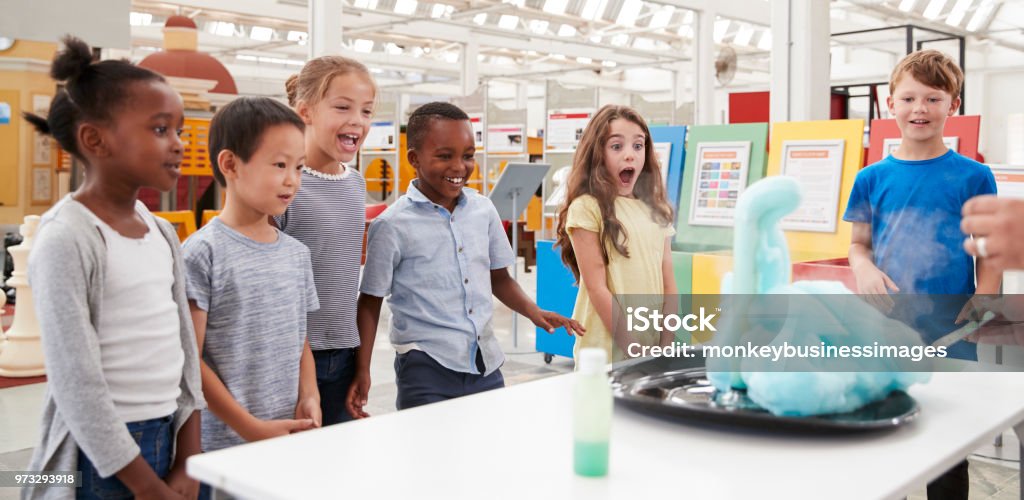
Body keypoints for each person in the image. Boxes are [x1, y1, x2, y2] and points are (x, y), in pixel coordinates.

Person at [23, 36, 203, 499]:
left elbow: (184, 349)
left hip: (170, 435)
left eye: (179, 130)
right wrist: (145, 486)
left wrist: (188, 457)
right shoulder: (67, 237)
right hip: (102, 458)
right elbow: (75, 383)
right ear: (95, 140)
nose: (178, 145)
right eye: (161, 130)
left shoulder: (160, 231)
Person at [356, 102, 583, 412]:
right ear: (414, 159)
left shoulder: (483, 210)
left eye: (467, 155)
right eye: (444, 156)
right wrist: (361, 369)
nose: (459, 167)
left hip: (485, 364)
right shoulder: (392, 225)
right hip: (425, 367)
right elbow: (370, 302)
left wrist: (533, 311)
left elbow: (499, 278)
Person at [842, 49, 999, 500]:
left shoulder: (975, 176)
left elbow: (986, 249)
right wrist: (865, 268)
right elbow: (858, 245)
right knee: (885, 436)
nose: (920, 110)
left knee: (948, 446)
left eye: (933, 99)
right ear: (889, 104)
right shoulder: (871, 179)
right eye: (909, 98)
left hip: (953, 328)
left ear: (953, 105)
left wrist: (985, 298)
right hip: (885, 326)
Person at [183, 97, 321, 459]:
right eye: (279, 165)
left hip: (289, 434)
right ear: (230, 164)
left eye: (299, 167)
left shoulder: (296, 253)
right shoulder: (202, 253)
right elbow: (189, 359)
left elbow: (299, 339)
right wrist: (249, 427)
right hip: (225, 446)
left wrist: (310, 395)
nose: (292, 180)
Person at [277, 56, 376, 424]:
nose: (358, 120)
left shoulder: (355, 182)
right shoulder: (286, 184)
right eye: (342, 107)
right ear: (305, 111)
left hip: (344, 351)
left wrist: (361, 363)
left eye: (366, 111)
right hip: (290, 355)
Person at [555, 104, 677, 364]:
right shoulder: (587, 207)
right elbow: (597, 287)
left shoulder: (657, 209)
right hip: (605, 350)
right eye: (616, 146)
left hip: (651, 343)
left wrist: (666, 343)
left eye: (638, 145)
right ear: (597, 153)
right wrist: (633, 348)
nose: (630, 155)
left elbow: (669, 282)